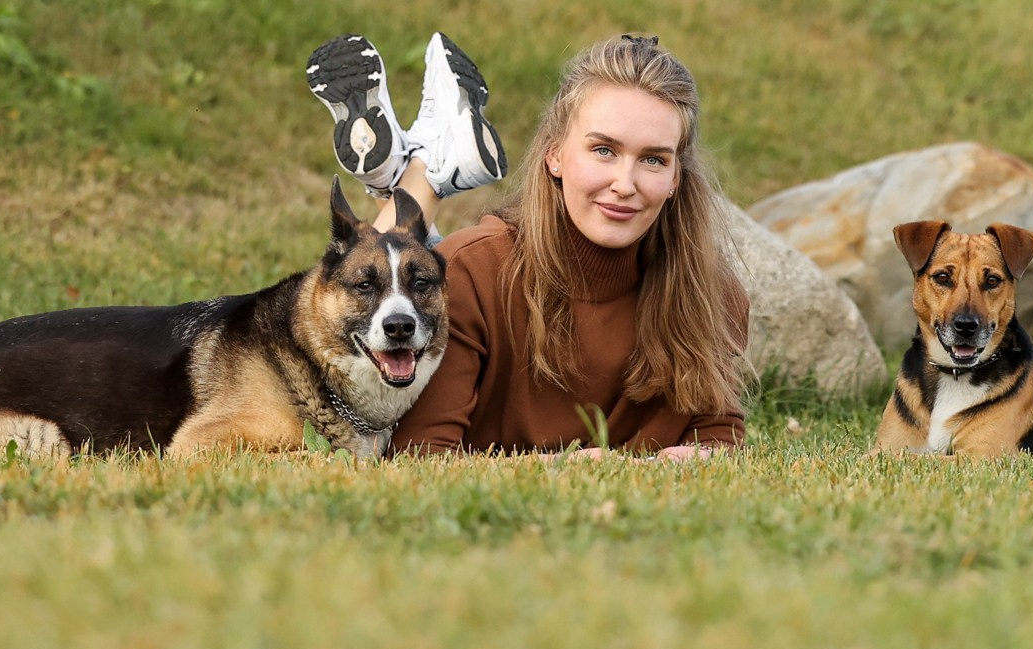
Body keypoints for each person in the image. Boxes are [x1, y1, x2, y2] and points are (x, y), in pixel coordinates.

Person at [304, 31, 748, 457]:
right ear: (554, 154)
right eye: (603, 150)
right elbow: (420, 456)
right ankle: (423, 172)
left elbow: (719, 436)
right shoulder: (471, 272)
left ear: (675, 178)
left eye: (653, 159)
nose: (624, 184)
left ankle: (414, 172)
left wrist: (696, 459)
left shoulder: (712, 297)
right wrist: (557, 468)